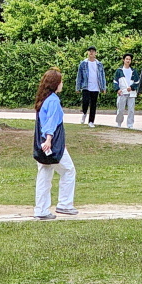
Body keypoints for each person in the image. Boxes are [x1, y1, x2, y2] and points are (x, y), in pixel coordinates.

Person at [34, 68, 78, 219]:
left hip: (42, 143)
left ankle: (41, 210)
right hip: (51, 143)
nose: (62, 84)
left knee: (44, 175)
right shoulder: (53, 100)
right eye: (60, 81)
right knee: (68, 170)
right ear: (55, 84)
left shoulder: (43, 99)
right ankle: (64, 204)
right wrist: (49, 139)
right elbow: (51, 122)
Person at [76, 47, 106, 127]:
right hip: (86, 86)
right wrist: (78, 87)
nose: (91, 53)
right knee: (85, 102)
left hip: (96, 87)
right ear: (87, 53)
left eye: (93, 51)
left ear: (95, 53)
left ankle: (91, 121)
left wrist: (103, 87)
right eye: (90, 51)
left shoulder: (99, 64)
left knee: (93, 104)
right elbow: (79, 76)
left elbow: (102, 76)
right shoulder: (83, 63)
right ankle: (84, 113)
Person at [113, 53, 140, 128]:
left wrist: (132, 87)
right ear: (123, 60)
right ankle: (119, 123)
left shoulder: (134, 71)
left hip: (131, 93)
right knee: (120, 109)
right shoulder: (119, 71)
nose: (128, 61)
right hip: (122, 93)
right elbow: (115, 81)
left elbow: (137, 82)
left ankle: (130, 124)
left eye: (129, 59)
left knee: (131, 110)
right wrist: (117, 89)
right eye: (127, 59)